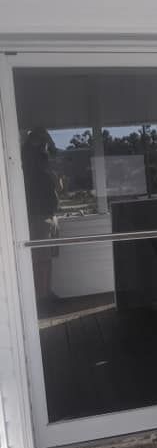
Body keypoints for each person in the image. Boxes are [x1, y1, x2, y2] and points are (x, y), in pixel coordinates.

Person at [21, 127, 60, 314]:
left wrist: (49, 142)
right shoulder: (30, 159)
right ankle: (40, 297)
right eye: (43, 139)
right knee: (40, 259)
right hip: (38, 216)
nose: (46, 143)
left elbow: (55, 152)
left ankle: (46, 292)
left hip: (49, 214)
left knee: (48, 258)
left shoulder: (43, 160)